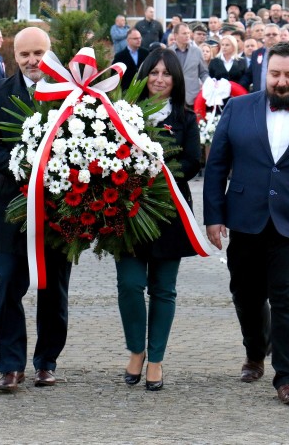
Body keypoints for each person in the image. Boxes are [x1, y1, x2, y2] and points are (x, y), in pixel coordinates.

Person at [203, 41, 289, 405]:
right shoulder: (237, 108)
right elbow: (217, 165)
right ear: (266, 73)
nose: (282, 82)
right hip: (246, 220)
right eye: (276, 74)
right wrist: (214, 217)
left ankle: (288, 377)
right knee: (247, 296)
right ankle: (255, 350)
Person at [0, 26, 72, 392]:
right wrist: (24, 166)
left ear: (49, 53)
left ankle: (46, 362)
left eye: (38, 53)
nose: (32, 61)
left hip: (60, 208)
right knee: (6, 286)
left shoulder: (69, 92)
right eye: (24, 55)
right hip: (10, 207)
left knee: (54, 289)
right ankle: (11, 366)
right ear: (13, 57)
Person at [117, 48, 200, 391]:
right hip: (128, 211)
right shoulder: (124, 114)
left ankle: (156, 360)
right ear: (144, 76)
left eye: (167, 73)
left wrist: (158, 167)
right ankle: (136, 350)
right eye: (154, 72)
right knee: (130, 285)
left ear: (176, 79)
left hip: (170, 212)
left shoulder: (186, 118)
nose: (160, 79)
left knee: (164, 290)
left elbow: (193, 162)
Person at [171, 23, 209, 108]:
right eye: (184, 33)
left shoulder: (197, 51)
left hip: (192, 98)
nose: (187, 36)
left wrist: (209, 83)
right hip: (173, 97)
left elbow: (203, 73)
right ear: (176, 35)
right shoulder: (168, 52)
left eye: (188, 33)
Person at [239, 23, 280, 92]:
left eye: (274, 34)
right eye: (268, 35)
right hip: (260, 96)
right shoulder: (256, 54)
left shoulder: (287, 53)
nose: (271, 36)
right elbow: (249, 75)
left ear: (280, 36)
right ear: (264, 37)